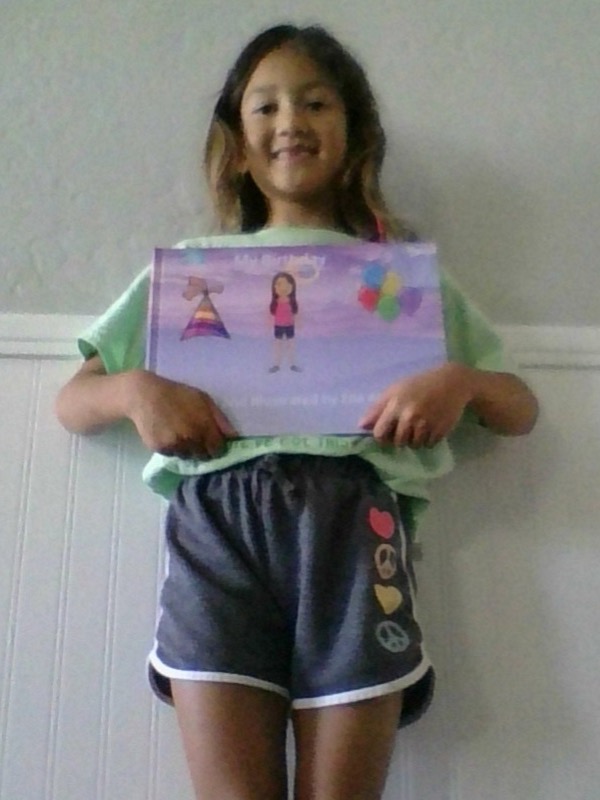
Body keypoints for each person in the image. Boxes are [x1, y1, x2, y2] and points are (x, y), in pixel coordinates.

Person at [55, 23, 539, 800]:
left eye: (316, 103)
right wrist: (135, 391)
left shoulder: (400, 278)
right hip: (218, 534)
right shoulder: (191, 273)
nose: (291, 121)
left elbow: (518, 407)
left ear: (354, 135)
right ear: (237, 145)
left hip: (357, 533)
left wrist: (459, 382)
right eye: (267, 106)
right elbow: (73, 400)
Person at [269, 270, 301, 372]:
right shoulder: (275, 302)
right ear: (274, 287)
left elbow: (295, 313)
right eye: (279, 284)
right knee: (278, 345)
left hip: (289, 326)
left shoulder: (292, 302)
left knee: (290, 345)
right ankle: (276, 365)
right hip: (278, 326)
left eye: (286, 285)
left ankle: (292, 364)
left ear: (292, 286)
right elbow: (272, 312)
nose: (283, 288)